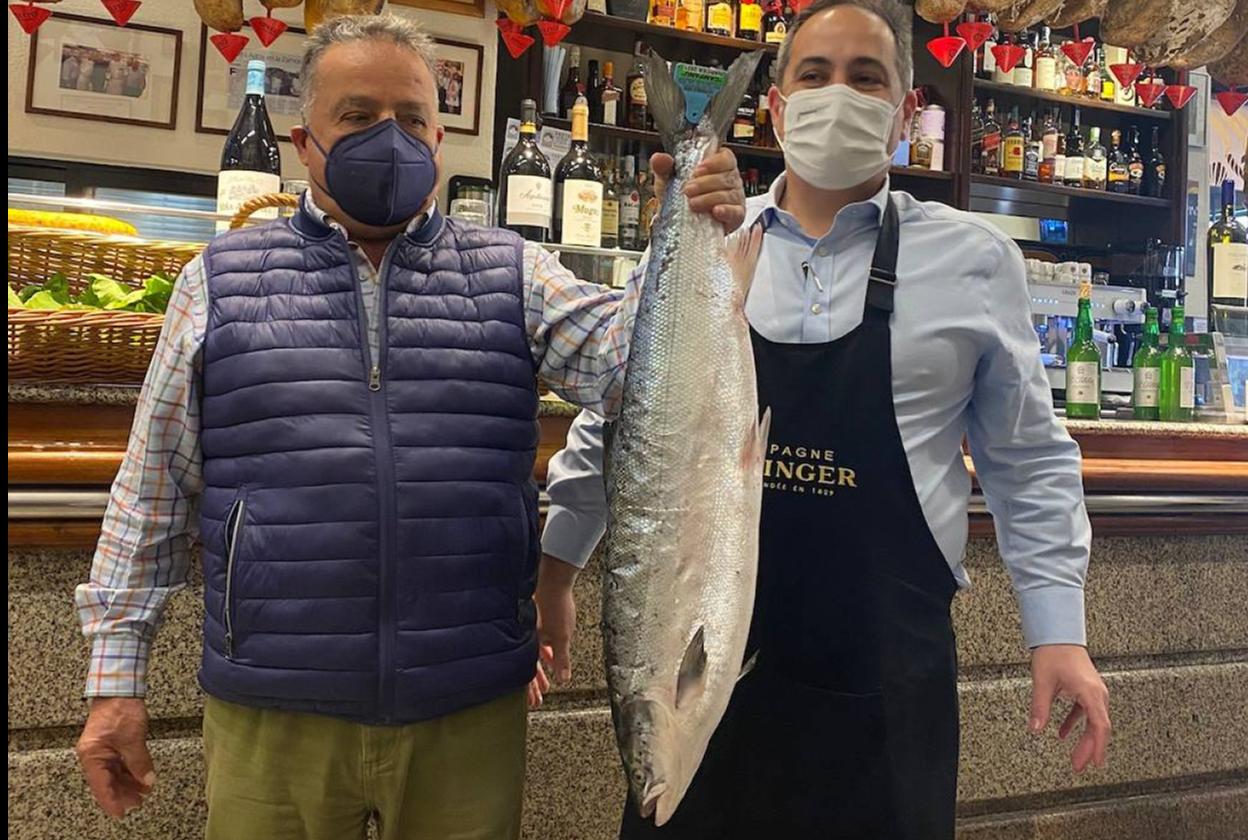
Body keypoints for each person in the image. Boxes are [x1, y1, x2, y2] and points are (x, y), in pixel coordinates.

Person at [71, 13, 746, 840]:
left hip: (465, 708)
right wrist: (114, 680)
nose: (387, 138)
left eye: (411, 120)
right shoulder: (217, 281)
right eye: (357, 117)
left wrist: (693, 216)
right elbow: (149, 496)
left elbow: (629, 367)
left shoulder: (515, 273)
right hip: (273, 710)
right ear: (303, 137)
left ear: (438, 137)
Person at [537, 1, 1112, 837]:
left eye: (866, 77)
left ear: (906, 114)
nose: (838, 93)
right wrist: (558, 567)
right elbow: (628, 424)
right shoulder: (704, 243)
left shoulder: (976, 260)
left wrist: (1057, 630)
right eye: (814, 75)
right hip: (702, 687)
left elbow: (1028, 460)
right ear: (775, 106)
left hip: (883, 700)